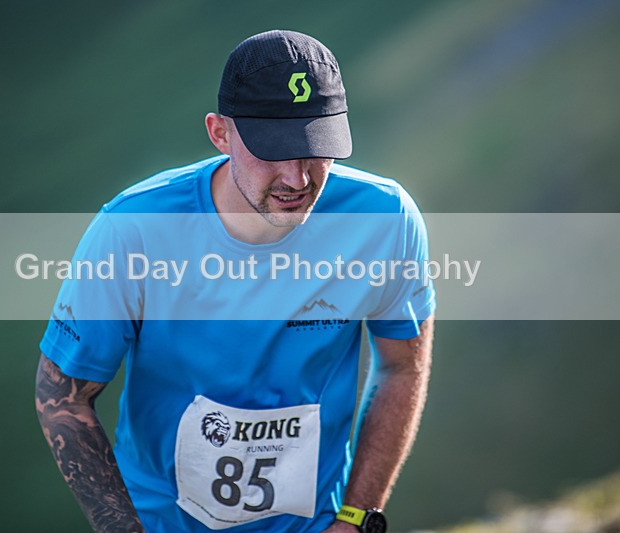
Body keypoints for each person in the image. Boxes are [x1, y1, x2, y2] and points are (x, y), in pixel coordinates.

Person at [35, 30, 435, 533]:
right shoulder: (133, 229)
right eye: (273, 150)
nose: (297, 178)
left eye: (317, 150)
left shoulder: (384, 218)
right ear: (220, 133)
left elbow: (402, 367)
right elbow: (62, 396)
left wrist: (355, 517)